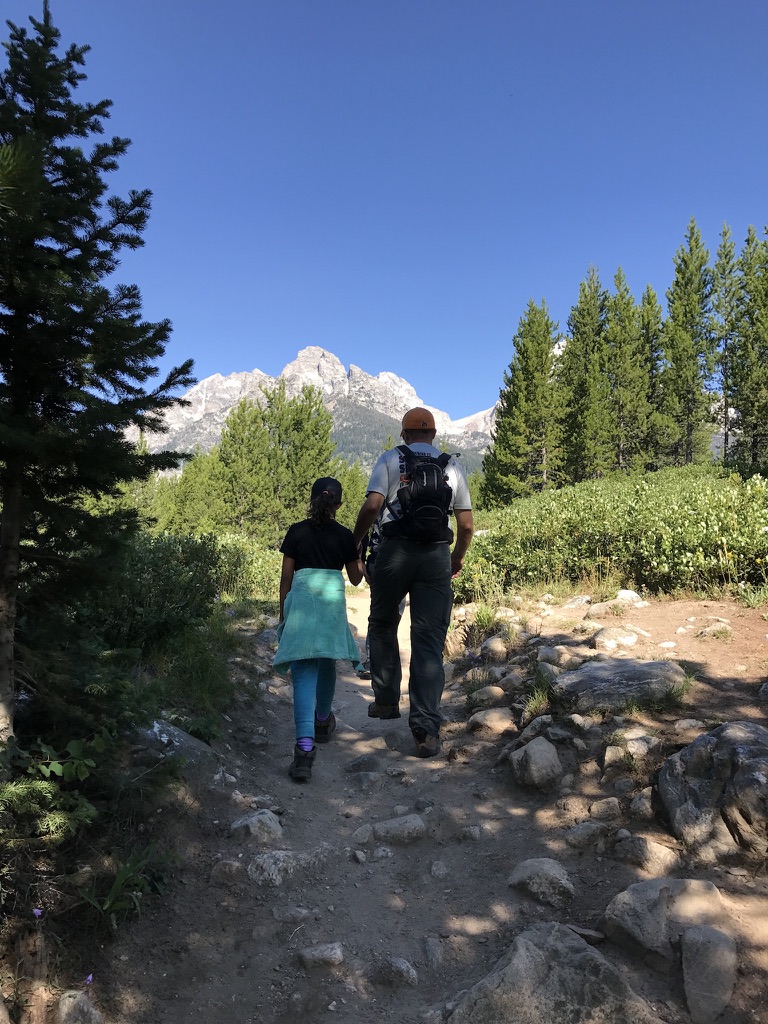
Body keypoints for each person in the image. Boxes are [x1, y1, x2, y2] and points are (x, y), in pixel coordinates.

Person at [352, 407, 474, 758]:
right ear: (434, 435)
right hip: (436, 557)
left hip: (393, 554)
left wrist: (355, 540)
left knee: (383, 623)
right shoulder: (451, 466)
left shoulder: (390, 458)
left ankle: (388, 701)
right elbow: (465, 526)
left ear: (404, 434)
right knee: (429, 638)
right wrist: (456, 558)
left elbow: (373, 506)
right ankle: (426, 730)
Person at [274, 477, 364, 782]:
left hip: (300, 607)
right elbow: (354, 579)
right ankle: (323, 721)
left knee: (303, 673)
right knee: (327, 661)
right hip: (330, 608)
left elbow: (286, 579)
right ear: (339, 504)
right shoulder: (344, 536)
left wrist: (283, 615)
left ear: (312, 500)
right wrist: (359, 556)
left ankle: (303, 752)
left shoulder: (296, 531)